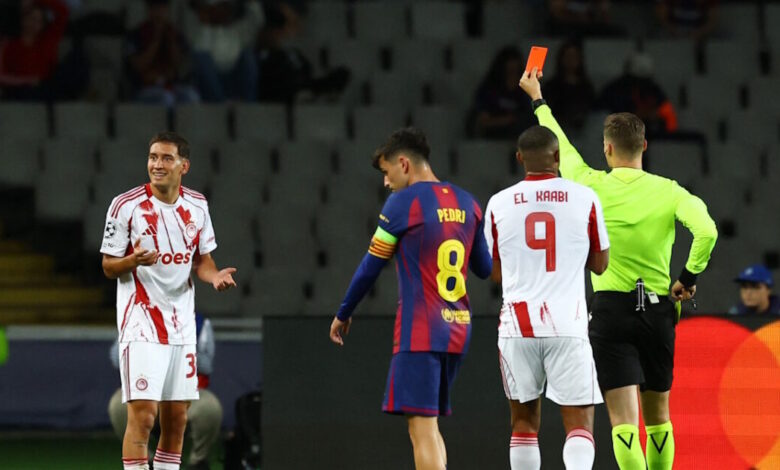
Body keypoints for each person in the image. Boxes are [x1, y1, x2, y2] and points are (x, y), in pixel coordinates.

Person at [519, 68, 717, 470]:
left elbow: (562, 147)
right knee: (658, 418)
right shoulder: (670, 191)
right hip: (658, 310)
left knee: (623, 422)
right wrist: (687, 278)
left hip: (610, 311)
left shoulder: (590, 184)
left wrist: (538, 100)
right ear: (644, 145)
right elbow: (707, 231)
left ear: (607, 149)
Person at [328, 127, 492, 470]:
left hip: (421, 329)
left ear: (404, 164)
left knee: (420, 428)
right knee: (429, 425)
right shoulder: (469, 202)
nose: (386, 182)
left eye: (387, 172)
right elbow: (483, 268)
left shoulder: (404, 203)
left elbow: (371, 266)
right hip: (459, 327)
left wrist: (344, 311)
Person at [101, 131, 237, 470]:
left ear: (183, 166)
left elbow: (202, 261)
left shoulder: (197, 205)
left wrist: (214, 276)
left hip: (181, 326)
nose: (157, 164)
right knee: (144, 417)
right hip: (141, 324)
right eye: (153, 157)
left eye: (166, 158)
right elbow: (108, 266)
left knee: (176, 419)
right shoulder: (126, 205)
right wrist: (132, 260)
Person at [484, 125, 610, 469]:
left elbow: (493, 271)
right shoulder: (585, 198)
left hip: (517, 327)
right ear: (558, 156)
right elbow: (600, 265)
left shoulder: (498, 203)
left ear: (519, 158)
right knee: (580, 424)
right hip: (568, 325)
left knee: (523, 424)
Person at [108, 313, 223, 470]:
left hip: (184, 392)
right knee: (118, 403)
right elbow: (116, 359)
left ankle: (198, 462)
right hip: (146, 391)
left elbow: (207, 366)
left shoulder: (198, 321)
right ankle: (144, 461)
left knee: (210, 407)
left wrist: (180, 347)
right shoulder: (135, 316)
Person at [124, 0, 200, 107]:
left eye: (162, 9)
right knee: (165, 98)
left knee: (191, 96)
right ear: (149, 10)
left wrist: (171, 42)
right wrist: (156, 40)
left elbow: (181, 66)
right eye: (155, 8)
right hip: (145, 88)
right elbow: (138, 65)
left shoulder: (174, 33)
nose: (159, 13)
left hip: (171, 85)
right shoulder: (136, 35)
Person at [185, 0, 263, 102]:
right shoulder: (197, 31)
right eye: (218, 8)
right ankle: (218, 105)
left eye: (225, 7)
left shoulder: (238, 30)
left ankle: (247, 106)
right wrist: (205, 19)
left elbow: (257, 20)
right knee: (201, 58)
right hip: (209, 85)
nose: (223, 11)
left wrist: (251, 3)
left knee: (248, 57)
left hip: (234, 80)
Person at [597, 53, 678, 138]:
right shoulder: (615, 90)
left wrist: (655, 115)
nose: (640, 84)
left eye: (644, 81)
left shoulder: (653, 90)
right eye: (635, 80)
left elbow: (669, 117)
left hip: (651, 139)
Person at [0, 0, 68, 100]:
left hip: (45, 88)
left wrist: (36, 0)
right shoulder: (8, 44)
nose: (34, 24)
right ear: (23, 20)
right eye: (32, 19)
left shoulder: (48, 40)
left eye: (39, 21)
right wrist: (27, 81)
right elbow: (2, 76)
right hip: (18, 90)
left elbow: (63, 11)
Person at [468, 46, 535, 140]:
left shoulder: (526, 90)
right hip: (492, 137)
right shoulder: (489, 90)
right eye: (509, 63)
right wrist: (507, 120)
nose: (512, 67)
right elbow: (483, 121)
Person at [542, 39, 596, 132]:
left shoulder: (586, 87)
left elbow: (592, 110)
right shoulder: (551, 86)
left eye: (574, 56)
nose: (571, 60)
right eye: (568, 56)